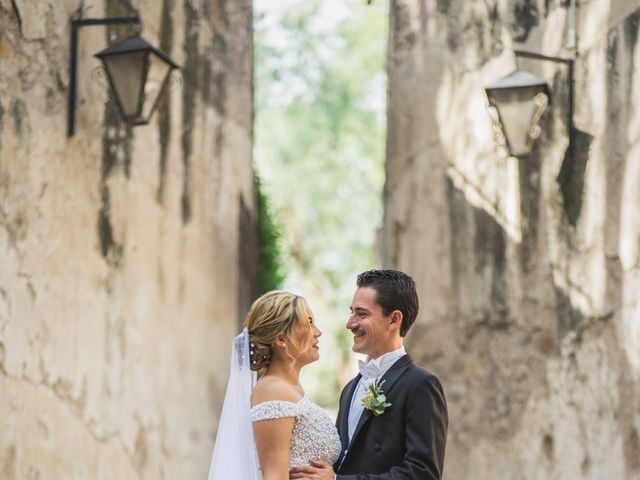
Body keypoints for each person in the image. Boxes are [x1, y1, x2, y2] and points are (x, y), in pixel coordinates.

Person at [290, 269, 448, 479]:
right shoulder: (350, 389)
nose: (350, 323)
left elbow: (422, 473)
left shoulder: (421, 385)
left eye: (362, 314)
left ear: (394, 320)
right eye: (351, 312)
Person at [208, 290, 341, 480]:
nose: (318, 333)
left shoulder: (290, 389)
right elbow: (274, 476)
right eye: (309, 323)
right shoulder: (274, 390)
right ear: (281, 340)